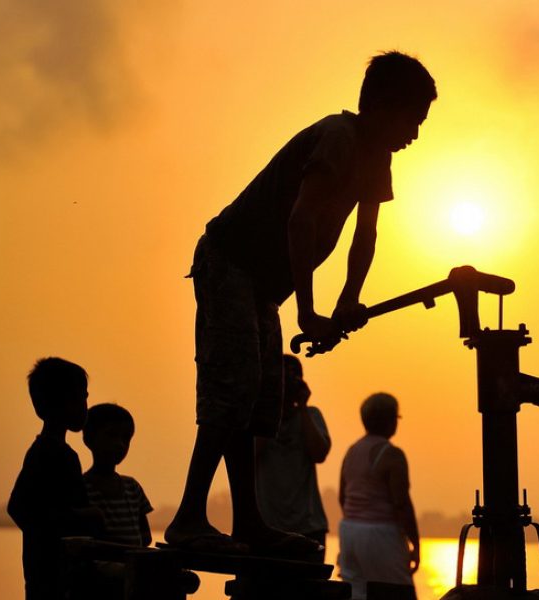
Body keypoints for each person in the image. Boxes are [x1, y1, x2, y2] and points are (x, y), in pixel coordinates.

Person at [164, 50, 435, 556]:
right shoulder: (339, 136)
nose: (415, 134)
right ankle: (187, 519)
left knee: (263, 399)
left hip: (264, 284)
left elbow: (366, 236)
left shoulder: (379, 159)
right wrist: (309, 311)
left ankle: (247, 521)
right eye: (412, 120)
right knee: (232, 390)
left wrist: (349, 301)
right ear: (380, 105)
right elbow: (301, 221)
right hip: (229, 261)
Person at [8, 357, 104, 600]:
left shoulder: (55, 452)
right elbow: (19, 508)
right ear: (61, 404)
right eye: (81, 398)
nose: (85, 406)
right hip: (51, 577)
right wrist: (83, 516)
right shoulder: (50, 453)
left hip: (57, 573)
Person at [338, 393, 420, 599]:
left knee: (357, 592)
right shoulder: (392, 454)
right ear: (389, 420)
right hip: (380, 534)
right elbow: (401, 503)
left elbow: (342, 496)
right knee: (399, 592)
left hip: (349, 531)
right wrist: (415, 544)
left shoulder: (352, 451)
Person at [255, 354, 331, 562]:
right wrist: (271, 405)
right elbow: (252, 453)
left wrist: (303, 407)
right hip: (266, 527)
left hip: (308, 526)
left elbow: (319, 453)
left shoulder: (311, 415)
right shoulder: (258, 416)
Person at [82, 403, 153, 547]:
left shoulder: (132, 487)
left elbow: (146, 537)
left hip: (133, 564)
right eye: (111, 435)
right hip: (103, 567)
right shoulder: (82, 488)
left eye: (126, 438)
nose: (120, 444)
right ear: (89, 439)